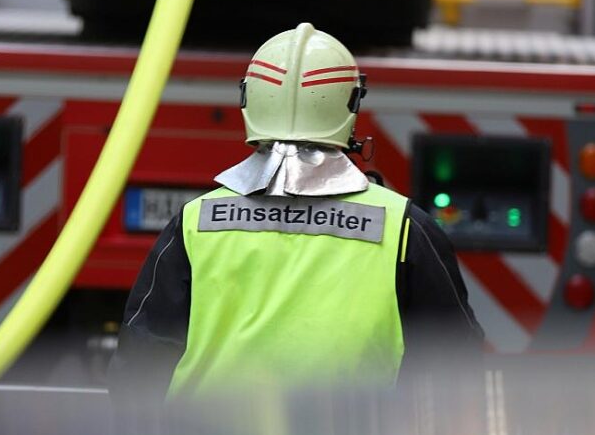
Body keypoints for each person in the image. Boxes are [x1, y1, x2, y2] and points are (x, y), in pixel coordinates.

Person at [110, 23, 483, 398]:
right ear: (350, 102)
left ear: (249, 99)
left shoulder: (197, 220)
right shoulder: (402, 227)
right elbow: (455, 367)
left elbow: (139, 366)